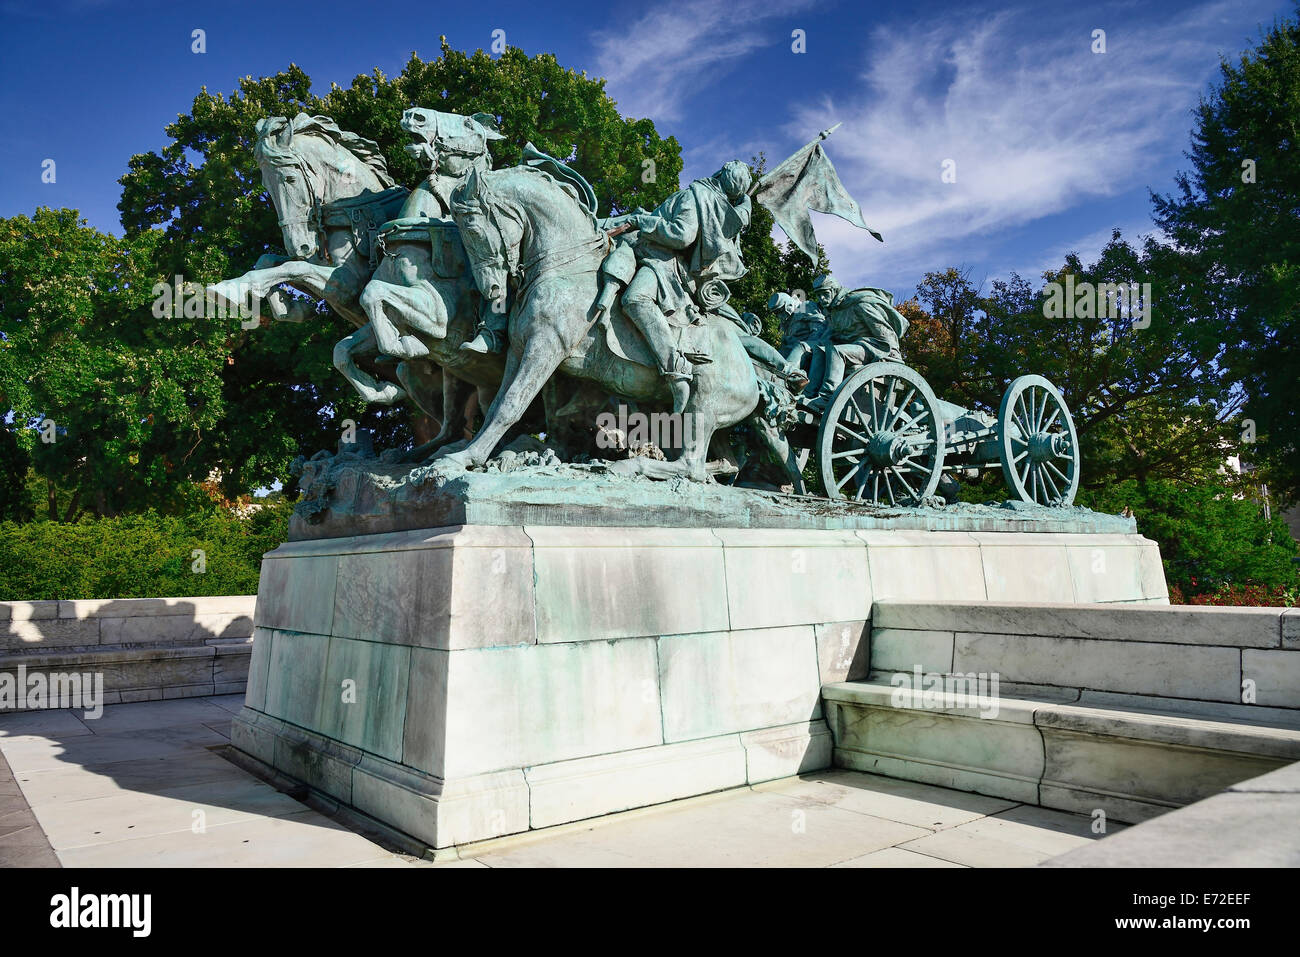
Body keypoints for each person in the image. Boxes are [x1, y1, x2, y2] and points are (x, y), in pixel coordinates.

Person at [616, 161, 753, 413]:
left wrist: (643, 222)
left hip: (662, 264)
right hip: (644, 252)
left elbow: (682, 235)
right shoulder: (710, 201)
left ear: (720, 172)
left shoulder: (697, 195)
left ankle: (676, 371)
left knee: (635, 299)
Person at [804, 274, 908, 411]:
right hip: (856, 348)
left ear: (834, 290)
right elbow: (827, 337)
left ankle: (827, 397)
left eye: (825, 294)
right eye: (818, 295)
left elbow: (884, 331)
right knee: (820, 350)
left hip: (874, 348)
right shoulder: (834, 311)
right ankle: (808, 394)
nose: (821, 299)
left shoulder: (860, 304)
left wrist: (894, 356)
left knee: (836, 351)